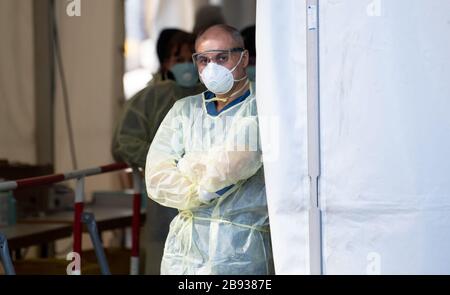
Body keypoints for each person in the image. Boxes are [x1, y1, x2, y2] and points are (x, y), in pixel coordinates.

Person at [145, 24, 274, 275]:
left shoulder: (262, 107)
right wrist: (199, 192)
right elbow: (156, 175)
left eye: (222, 58)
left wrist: (187, 166)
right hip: (184, 255)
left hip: (241, 254)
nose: (211, 67)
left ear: (244, 58)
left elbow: (237, 162)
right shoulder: (185, 110)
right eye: (203, 60)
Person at [112, 29, 205, 274]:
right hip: (164, 201)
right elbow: (124, 142)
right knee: (163, 256)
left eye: (191, 59)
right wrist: (166, 164)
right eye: (179, 59)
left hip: (206, 195)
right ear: (165, 62)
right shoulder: (151, 98)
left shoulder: (210, 96)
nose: (187, 67)